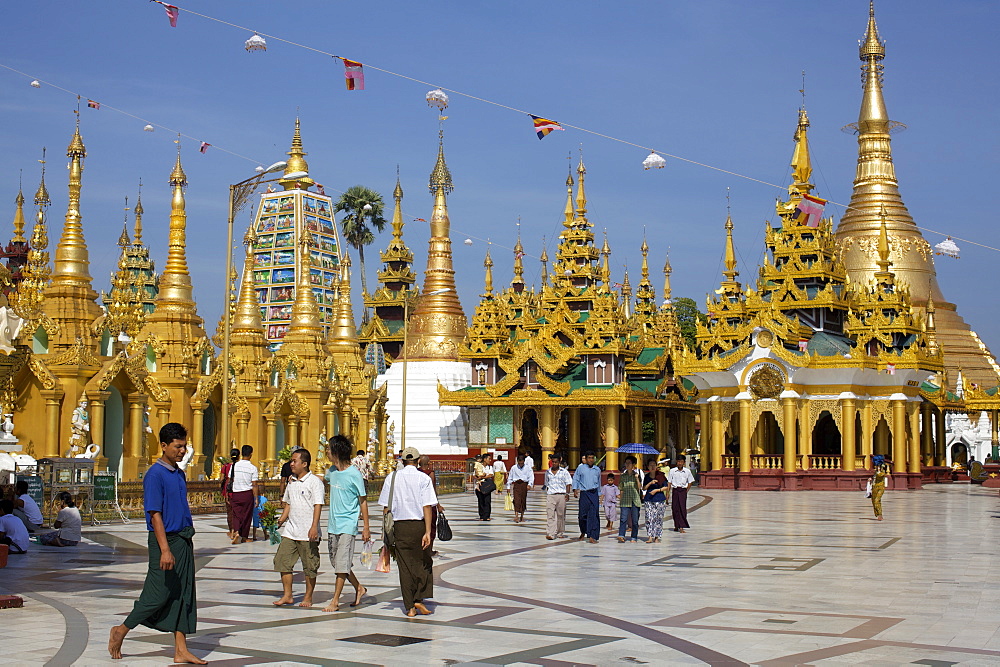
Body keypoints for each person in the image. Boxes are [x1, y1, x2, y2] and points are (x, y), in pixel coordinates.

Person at [108, 423, 204, 664]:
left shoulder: (178, 473)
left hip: (183, 539)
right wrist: (164, 550)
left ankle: (180, 649)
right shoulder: (155, 474)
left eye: (184, 446)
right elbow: (154, 514)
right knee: (157, 593)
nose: (182, 451)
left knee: (183, 593)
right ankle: (121, 629)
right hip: (166, 540)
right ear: (164, 446)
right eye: (178, 446)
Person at [378, 446, 438, 617]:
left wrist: (386, 531)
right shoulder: (423, 478)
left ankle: (410, 606)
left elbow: (386, 507)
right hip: (418, 525)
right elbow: (427, 506)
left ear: (402, 461)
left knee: (405, 567)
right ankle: (419, 598)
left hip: (399, 526)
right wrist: (427, 531)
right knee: (423, 563)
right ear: (418, 461)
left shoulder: (392, 477)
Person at [323, 435, 371, 612]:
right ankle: (359, 588)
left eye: (329, 449)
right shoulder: (332, 472)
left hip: (348, 525)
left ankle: (335, 600)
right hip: (333, 524)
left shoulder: (354, 474)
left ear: (336, 451)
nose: (327, 452)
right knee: (338, 562)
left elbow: (363, 501)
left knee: (341, 563)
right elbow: (322, 479)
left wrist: (366, 527)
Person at [273, 448, 325, 607]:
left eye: (295, 461)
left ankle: (308, 597)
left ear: (305, 463)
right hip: (291, 530)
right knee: (283, 561)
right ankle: (287, 595)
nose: (291, 464)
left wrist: (314, 526)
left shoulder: (314, 482)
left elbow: (318, 505)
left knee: (309, 566)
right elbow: (289, 503)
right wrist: (281, 520)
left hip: (308, 531)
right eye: (291, 461)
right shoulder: (291, 481)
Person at [230, 444, 260, 544]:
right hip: (247, 493)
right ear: (251, 455)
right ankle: (244, 537)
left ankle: (237, 531)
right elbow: (254, 484)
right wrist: (256, 498)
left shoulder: (234, 466)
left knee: (236, 514)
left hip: (236, 493)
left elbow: (231, 479)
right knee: (247, 515)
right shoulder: (252, 468)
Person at [572, 451, 602, 543]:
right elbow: (576, 478)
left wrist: (600, 495)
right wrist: (575, 489)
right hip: (584, 493)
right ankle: (583, 531)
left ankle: (592, 536)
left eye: (592, 458)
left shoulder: (597, 470)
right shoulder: (581, 468)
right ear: (586, 458)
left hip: (594, 493)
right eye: (589, 458)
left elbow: (599, 483)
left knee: (594, 515)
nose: (591, 460)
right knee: (582, 515)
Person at [417, 455, 442, 554]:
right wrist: (438, 505)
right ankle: (429, 550)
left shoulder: (417, 473)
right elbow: (432, 491)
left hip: (418, 504)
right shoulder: (430, 473)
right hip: (429, 504)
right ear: (428, 463)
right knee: (431, 528)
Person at [544, 456, 572, 540]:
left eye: (556, 462)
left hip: (561, 495)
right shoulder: (548, 472)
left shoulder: (564, 472)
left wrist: (567, 494)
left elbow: (568, 483)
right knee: (550, 514)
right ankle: (551, 533)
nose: (554, 463)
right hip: (551, 495)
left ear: (559, 462)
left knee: (560, 515)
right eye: (553, 462)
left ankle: (560, 532)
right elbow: (546, 483)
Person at [667, 456, 696, 533]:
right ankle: (676, 525)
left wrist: (686, 490)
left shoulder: (687, 471)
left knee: (682, 508)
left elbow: (690, 481)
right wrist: (668, 493)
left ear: (684, 462)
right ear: (677, 462)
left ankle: (682, 526)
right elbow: (669, 482)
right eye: (678, 461)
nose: (680, 463)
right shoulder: (672, 471)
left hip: (683, 490)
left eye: (681, 461)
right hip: (675, 490)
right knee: (675, 508)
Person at [617, 456, 642, 543]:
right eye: (626, 463)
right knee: (623, 519)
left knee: (635, 520)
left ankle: (634, 536)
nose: (627, 465)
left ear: (633, 465)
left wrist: (637, 478)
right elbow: (621, 488)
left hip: (635, 500)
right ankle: (621, 535)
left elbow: (639, 488)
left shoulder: (637, 475)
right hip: (625, 500)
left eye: (629, 463)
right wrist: (620, 499)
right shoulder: (623, 476)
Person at [642, 459, 668, 543]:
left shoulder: (661, 475)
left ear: (656, 466)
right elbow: (644, 488)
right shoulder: (647, 476)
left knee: (658, 518)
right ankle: (650, 536)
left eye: (654, 464)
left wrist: (657, 490)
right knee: (649, 517)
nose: (652, 466)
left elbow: (666, 487)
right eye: (650, 465)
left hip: (659, 498)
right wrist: (650, 483)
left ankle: (657, 536)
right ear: (648, 466)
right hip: (649, 499)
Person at [507, 453, 533, 523]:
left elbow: (531, 476)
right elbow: (510, 477)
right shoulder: (514, 468)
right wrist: (508, 486)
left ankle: (522, 515)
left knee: (523, 500)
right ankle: (516, 515)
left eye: (522, 463)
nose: (521, 464)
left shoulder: (528, 468)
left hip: (524, 484)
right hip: (517, 484)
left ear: (524, 461)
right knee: (516, 499)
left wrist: (530, 484)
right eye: (519, 463)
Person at [220, 447, 239, 541]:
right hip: (238, 489)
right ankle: (237, 531)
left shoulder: (226, 466)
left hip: (228, 489)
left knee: (230, 512)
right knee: (237, 512)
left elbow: (221, 478)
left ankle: (231, 531)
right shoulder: (239, 466)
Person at [474, 452, 495, 521]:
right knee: (481, 501)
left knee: (487, 501)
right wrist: (480, 477)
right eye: (489, 459)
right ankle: (482, 516)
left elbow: (491, 475)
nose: (490, 460)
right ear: (485, 459)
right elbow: (475, 475)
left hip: (486, 486)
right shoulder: (479, 466)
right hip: (479, 486)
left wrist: (483, 476)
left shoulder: (490, 467)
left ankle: (487, 515)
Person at [871, 455, 891, 521]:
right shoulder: (875, 471)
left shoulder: (882, 471)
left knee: (877, 500)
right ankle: (878, 514)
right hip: (874, 487)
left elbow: (880, 476)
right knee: (874, 501)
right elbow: (875, 478)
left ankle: (880, 514)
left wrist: (879, 470)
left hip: (880, 487)